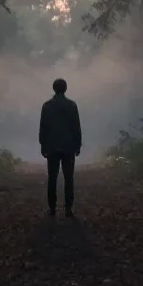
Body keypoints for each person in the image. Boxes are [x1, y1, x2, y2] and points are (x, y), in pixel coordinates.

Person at [39, 78, 81, 218]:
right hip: (68, 147)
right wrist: (77, 144)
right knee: (69, 178)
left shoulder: (47, 106)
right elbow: (76, 126)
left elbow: (43, 127)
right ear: (65, 88)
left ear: (54, 89)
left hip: (52, 147)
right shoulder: (72, 105)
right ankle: (68, 208)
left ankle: (52, 208)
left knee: (52, 177)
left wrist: (43, 145)